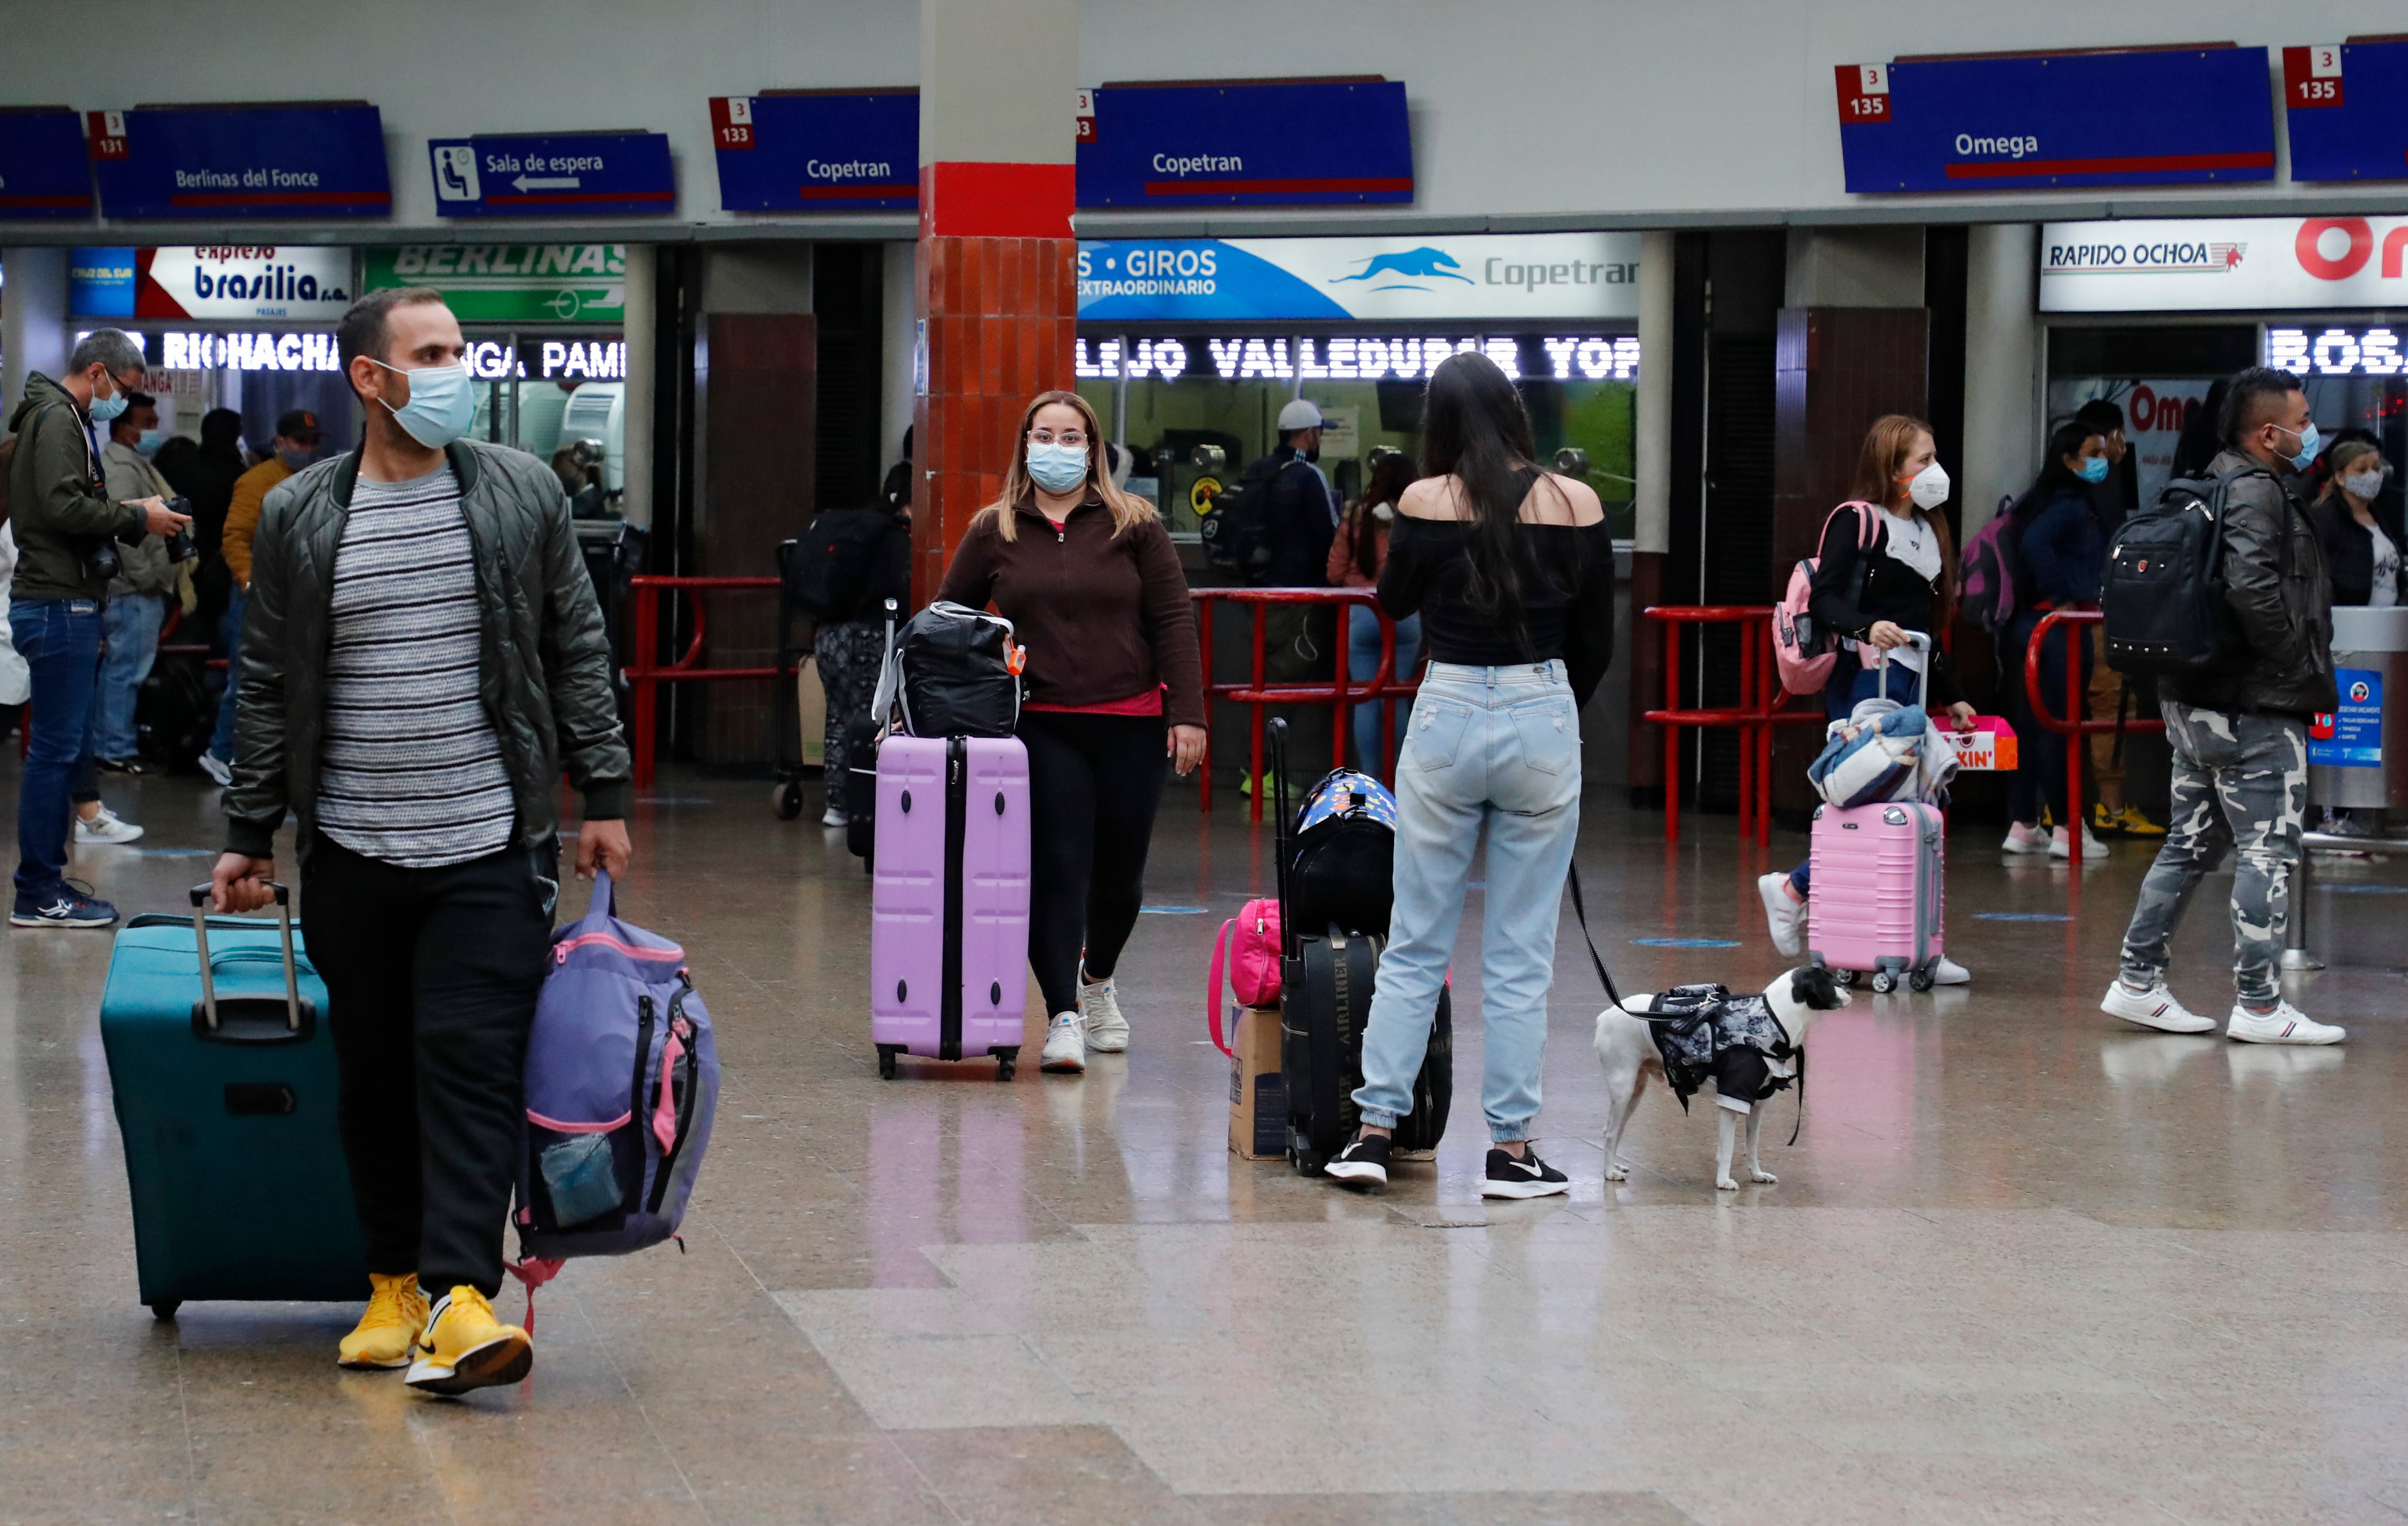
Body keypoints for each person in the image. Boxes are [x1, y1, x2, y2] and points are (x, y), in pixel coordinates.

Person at [209, 287, 634, 1393]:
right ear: (371, 378)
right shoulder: (306, 512)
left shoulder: (519, 491)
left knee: (469, 1061)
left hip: (489, 841)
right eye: (431, 352)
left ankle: (460, 1296)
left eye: (458, 349)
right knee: (374, 1073)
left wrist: (607, 793)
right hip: (353, 844)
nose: (454, 367)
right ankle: (392, 1281)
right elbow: (267, 685)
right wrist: (250, 829)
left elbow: (576, 646)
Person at [1319, 351, 1614, 1198]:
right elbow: (1596, 633)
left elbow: (1396, 601)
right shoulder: (1577, 500)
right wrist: (1556, 714)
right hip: (1541, 707)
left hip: (1447, 709)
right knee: (1522, 953)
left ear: (1437, 423)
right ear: (1516, 411)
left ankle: (1374, 1134)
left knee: (1416, 940)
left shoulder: (1422, 499)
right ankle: (1512, 1152)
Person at [936, 389, 1205, 1075]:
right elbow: (947, 623)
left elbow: (1173, 621)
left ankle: (1098, 981)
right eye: (1044, 435)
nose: (1057, 448)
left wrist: (1190, 716)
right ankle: (1059, 1014)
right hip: (1043, 725)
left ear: (1093, 449)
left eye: (1071, 436)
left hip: (1131, 719)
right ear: (1025, 444)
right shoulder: (993, 528)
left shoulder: (1134, 524)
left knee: (1121, 877)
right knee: (1058, 866)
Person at [2102, 366, 2342, 1045]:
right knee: (2268, 849)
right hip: (2252, 705)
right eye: (2300, 421)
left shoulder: (2208, 481)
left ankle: (2137, 982)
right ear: (2271, 433)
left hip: (2192, 702)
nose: (2308, 430)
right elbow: (2252, 590)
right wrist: (2295, 664)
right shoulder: (2256, 491)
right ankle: (2260, 1005)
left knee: (2189, 844)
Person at [1754, 415, 1976, 980]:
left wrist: (1953, 697)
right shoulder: (1857, 521)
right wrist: (1864, 627)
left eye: (1933, 457)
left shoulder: (1930, 533)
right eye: (1921, 459)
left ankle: (1914, 937)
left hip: (1910, 684)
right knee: (1865, 801)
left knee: (1922, 806)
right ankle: (1795, 890)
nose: (1933, 470)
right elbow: (1826, 599)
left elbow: (1926, 627)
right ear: (1890, 466)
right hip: (1861, 681)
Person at [5, 330, 190, 927]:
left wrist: (132, 514)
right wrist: (139, 516)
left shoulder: (60, 418)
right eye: (125, 390)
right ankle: (37, 891)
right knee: (54, 754)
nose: (124, 404)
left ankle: (46, 883)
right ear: (99, 371)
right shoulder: (58, 418)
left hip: (65, 602)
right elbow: (64, 508)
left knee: (62, 748)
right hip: (58, 603)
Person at [2000, 421, 2111, 859]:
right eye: (2094, 453)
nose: (2102, 461)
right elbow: (2037, 544)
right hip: (2057, 629)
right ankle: (2068, 829)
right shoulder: (2070, 506)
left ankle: (2023, 822)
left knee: (2027, 727)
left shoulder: (2034, 500)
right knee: (2061, 727)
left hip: (2026, 626)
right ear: (2068, 461)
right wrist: (2064, 597)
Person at [199, 408, 319, 786]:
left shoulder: (317, 481)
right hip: (258, 598)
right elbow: (235, 538)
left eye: (313, 442)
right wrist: (252, 583)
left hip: (298, 596)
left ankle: (263, 757)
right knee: (246, 680)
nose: (307, 449)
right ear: (280, 442)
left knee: (289, 683)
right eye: (300, 441)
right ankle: (222, 752)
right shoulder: (257, 482)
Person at [2072, 400, 2162, 840]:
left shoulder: (2066, 484)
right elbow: (2116, 532)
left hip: (2075, 611)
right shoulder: (2096, 483)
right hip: (2093, 610)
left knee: (2084, 706)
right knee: (2110, 705)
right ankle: (2111, 806)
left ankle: (2065, 806)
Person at [2306, 438, 2397, 839]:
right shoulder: (2324, 521)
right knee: (2344, 725)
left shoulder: (2378, 516)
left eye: (2376, 467)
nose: (2372, 477)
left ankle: (2367, 809)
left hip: (2384, 633)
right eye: (2361, 469)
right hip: (2346, 632)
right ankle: (2331, 811)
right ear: (2340, 476)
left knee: (2373, 725)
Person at [92, 391, 187, 774]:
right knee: (125, 670)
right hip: (133, 589)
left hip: (140, 586)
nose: (154, 430)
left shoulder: (134, 463)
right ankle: (113, 746)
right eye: (147, 424)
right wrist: (147, 578)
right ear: (124, 426)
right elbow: (118, 530)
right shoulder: (118, 468)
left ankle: (114, 743)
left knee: (126, 669)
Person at [810, 495, 910, 827]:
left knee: (837, 719)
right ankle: (866, 805)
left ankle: (836, 805)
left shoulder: (853, 528)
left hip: (829, 635)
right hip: (867, 635)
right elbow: (897, 589)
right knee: (870, 718)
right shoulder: (893, 536)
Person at [1327, 450, 1422, 774]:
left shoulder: (1355, 512)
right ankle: (1397, 780)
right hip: (1405, 614)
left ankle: (1370, 780)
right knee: (1396, 700)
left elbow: (1334, 572)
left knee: (1365, 699)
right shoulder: (1417, 515)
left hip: (1360, 612)